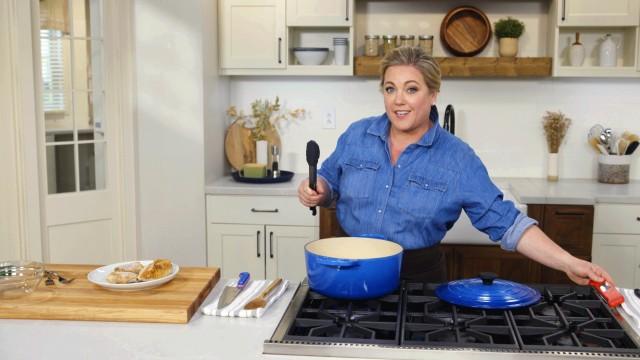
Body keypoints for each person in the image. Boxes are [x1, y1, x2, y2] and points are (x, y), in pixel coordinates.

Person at [298, 46, 613, 285]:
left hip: (417, 279)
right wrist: (319, 190)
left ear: (433, 94)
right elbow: (329, 182)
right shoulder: (357, 135)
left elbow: (507, 223)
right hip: (348, 270)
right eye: (390, 88)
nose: (398, 100)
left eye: (412, 89)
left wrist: (567, 262)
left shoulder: (457, 158)